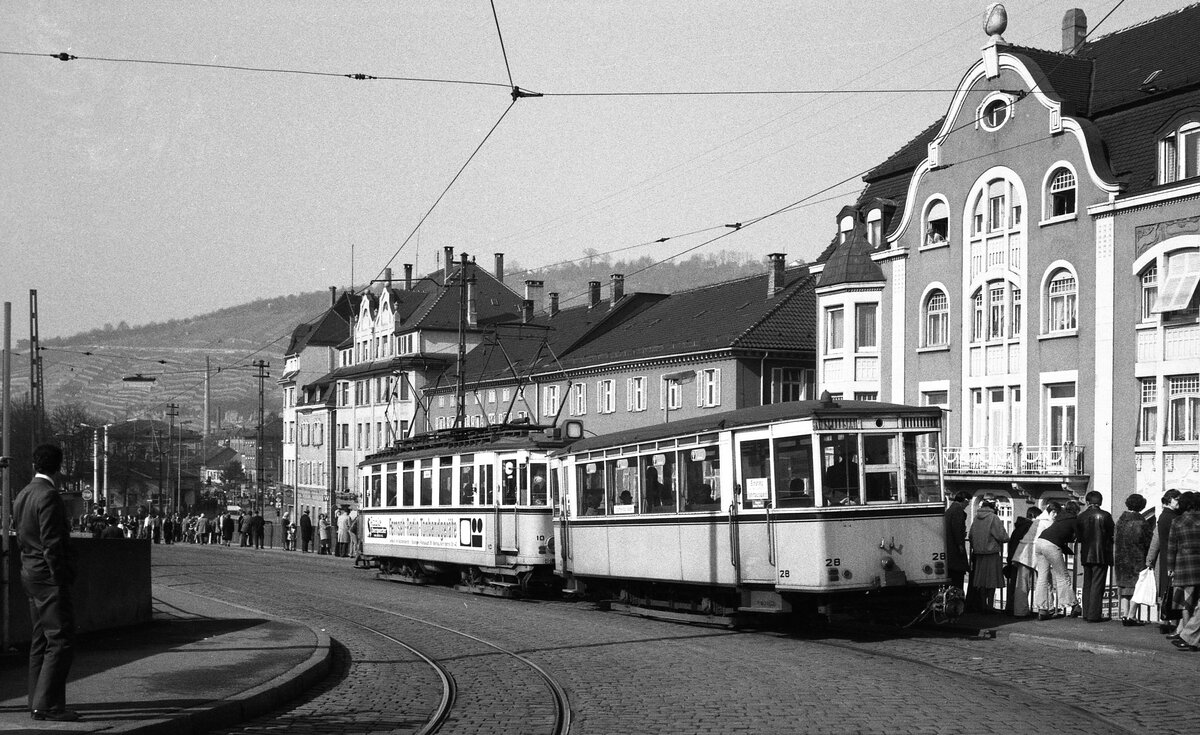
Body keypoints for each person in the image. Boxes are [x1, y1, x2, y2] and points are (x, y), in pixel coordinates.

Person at [13, 444, 81, 722]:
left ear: (34, 465)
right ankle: (48, 704)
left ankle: (36, 699)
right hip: (48, 576)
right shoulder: (49, 496)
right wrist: (61, 575)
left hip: (29, 572)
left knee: (40, 639)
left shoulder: (23, 494)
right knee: (61, 639)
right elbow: (52, 543)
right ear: (59, 467)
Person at [1034, 500, 1081, 620]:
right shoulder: (1074, 520)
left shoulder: (1059, 518)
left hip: (1040, 542)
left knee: (1042, 577)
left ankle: (1042, 608)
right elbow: (1080, 535)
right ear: (1076, 511)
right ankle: (1073, 605)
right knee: (1062, 576)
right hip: (1051, 546)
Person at [1166, 492, 1200, 651]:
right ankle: (1192, 637)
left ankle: (1187, 635)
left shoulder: (1177, 521)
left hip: (1184, 566)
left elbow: (1172, 547)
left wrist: (1170, 567)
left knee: (1186, 603)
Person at [1147, 489, 1183, 634]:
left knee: (1166, 590)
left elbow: (1156, 541)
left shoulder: (1163, 517)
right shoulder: (1173, 517)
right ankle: (1172, 622)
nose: (1179, 502)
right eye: (1176, 499)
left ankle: (1165, 620)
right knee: (1173, 591)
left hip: (1165, 558)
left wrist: (1150, 559)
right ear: (1169, 500)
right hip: (1173, 558)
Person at [1114, 493, 1154, 626]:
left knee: (1125, 587)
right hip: (1137, 557)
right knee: (1138, 586)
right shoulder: (1141, 522)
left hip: (1121, 557)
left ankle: (1124, 615)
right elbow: (1147, 540)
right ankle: (1131, 615)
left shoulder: (1121, 520)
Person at [1076, 490, 1116, 623]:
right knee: (1098, 585)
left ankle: (1086, 612)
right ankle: (1094, 615)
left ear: (1087, 502)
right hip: (1101, 554)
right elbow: (1112, 533)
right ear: (1100, 502)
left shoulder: (1081, 516)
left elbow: (1079, 536)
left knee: (1087, 584)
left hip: (1086, 554)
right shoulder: (1106, 515)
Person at [968, 499, 1009, 612]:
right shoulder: (993, 518)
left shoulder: (976, 518)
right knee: (992, 581)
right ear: (993, 507)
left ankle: (982, 605)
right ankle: (990, 606)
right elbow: (1002, 536)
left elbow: (971, 535)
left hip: (978, 554)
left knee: (981, 581)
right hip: (991, 553)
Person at [1006, 506, 1042, 617]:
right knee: (1022, 585)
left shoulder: (1019, 527)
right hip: (1023, 558)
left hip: (1014, 557)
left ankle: (1010, 609)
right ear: (1033, 516)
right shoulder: (1029, 527)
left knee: (1015, 586)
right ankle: (1020, 611)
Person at [943, 491, 971, 595]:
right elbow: (957, 529)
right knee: (957, 581)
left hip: (949, 552)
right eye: (968, 502)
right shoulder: (958, 511)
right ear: (965, 500)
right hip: (955, 553)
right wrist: (960, 545)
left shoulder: (950, 510)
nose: (968, 505)